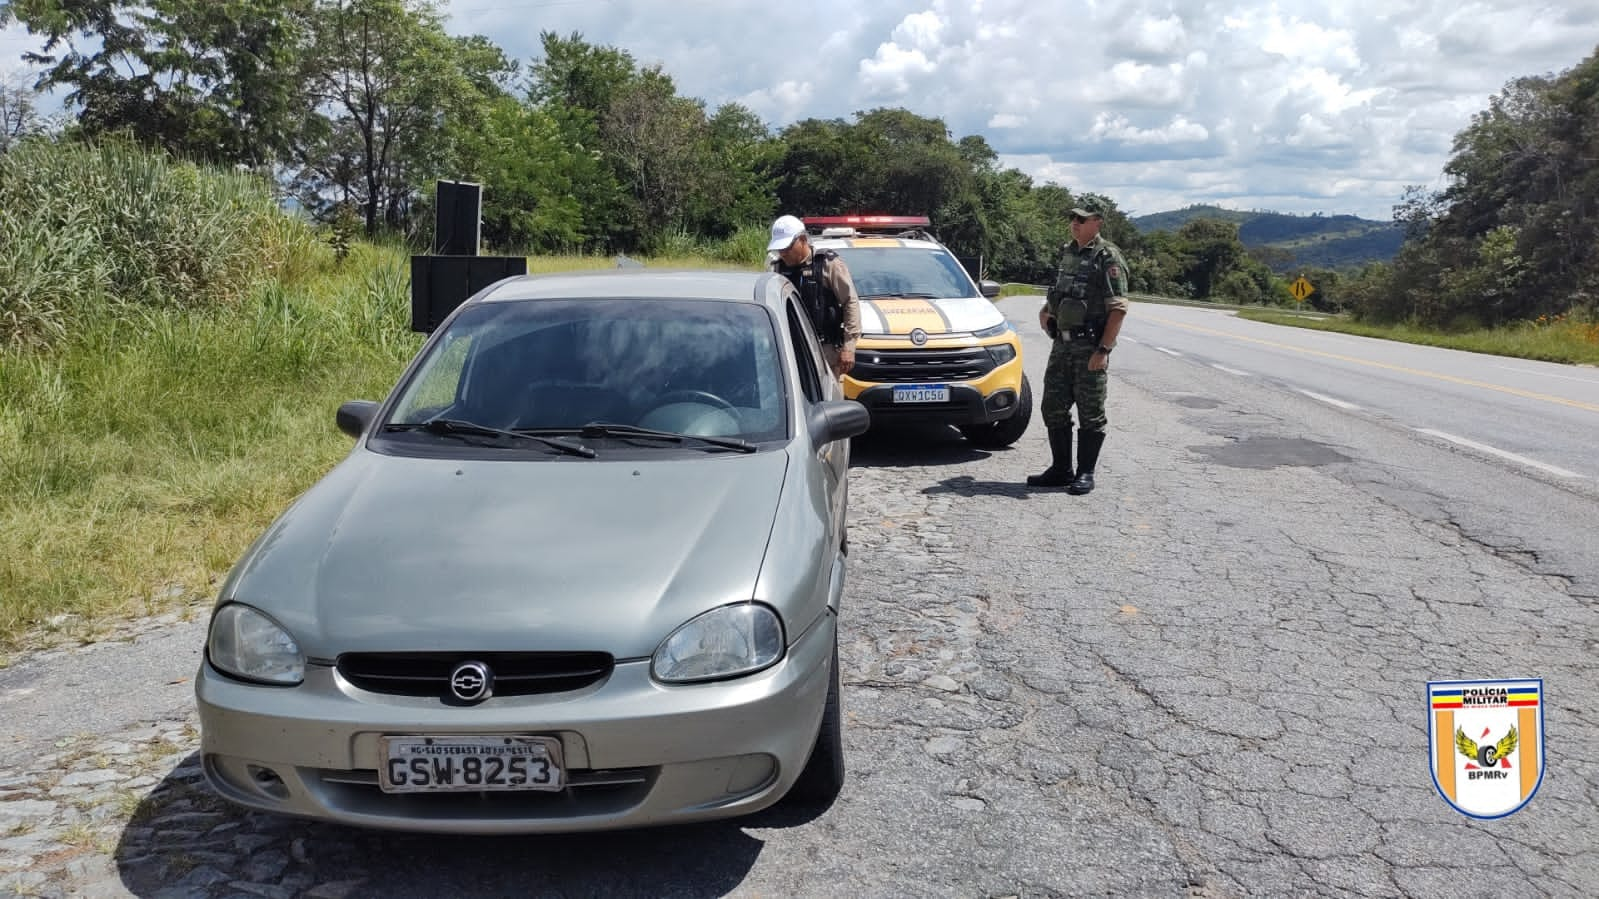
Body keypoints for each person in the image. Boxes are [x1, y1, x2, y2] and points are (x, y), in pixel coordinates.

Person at [1027, 197, 1130, 494]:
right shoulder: (1067, 252)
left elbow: (1118, 308)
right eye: (1073, 218)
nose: (1075, 223)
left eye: (1082, 219)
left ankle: (1085, 473)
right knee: (1053, 407)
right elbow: (1059, 292)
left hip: (1089, 346)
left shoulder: (1107, 256)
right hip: (1062, 344)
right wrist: (1047, 312)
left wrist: (1103, 350)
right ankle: (1061, 469)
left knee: (1090, 410)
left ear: (1097, 222)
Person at [768, 214, 862, 377]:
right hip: (789, 350)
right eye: (779, 248)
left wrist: (849, 346)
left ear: (803, 240)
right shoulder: (776, 268)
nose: (783, 253)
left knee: (829, 399)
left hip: (824, 351)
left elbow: (850, 302)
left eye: (787, 248)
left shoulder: (828, 264)